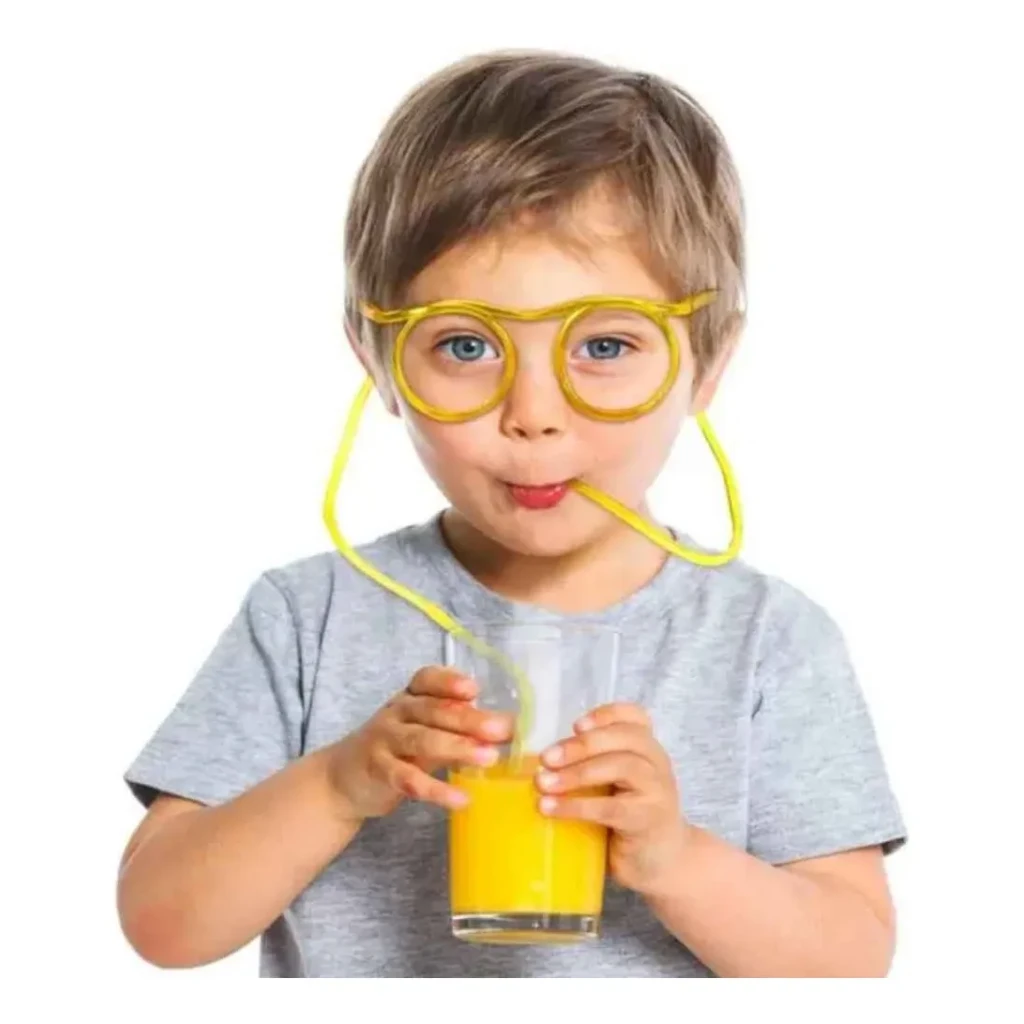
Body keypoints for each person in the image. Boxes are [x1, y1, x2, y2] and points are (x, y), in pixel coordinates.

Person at [116, 49, 906, 978]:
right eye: (466, 346)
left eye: (604, 345)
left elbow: (850, 962)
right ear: (378, 363)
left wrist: (676, 860)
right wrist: (336, 782)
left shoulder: (766, 639)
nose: (534, 413)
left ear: (708, 364)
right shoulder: (306, 619)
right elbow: (163, 924)